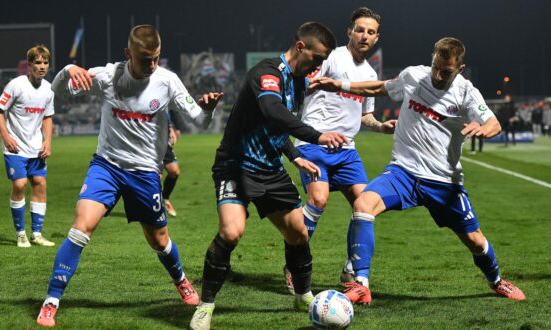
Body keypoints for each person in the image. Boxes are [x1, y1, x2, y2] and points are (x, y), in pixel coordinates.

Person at [311, 37, 526, 302]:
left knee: (475, 240)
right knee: (363, 205)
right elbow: (380, 87)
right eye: (435, 66)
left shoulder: (466, 92)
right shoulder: (414, 76)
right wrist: (340, 84)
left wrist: (485, 129)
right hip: (403, 172)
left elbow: (493, 123)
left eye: (445, 71)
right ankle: (361, 283)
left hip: (443, 181)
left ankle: (496, 280)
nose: (437, 74)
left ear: (460, 68)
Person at [36, 25, 223, 327]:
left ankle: (181, 281)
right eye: (145, 58)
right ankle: (51, 300)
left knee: (160, 240)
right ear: (128, 54)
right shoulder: (107, 77)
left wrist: (209, 109)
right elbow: (52, 93)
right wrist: (68, 69)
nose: (152, 65)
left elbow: (200, 121)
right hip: (106, 166)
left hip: (145, 173)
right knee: (81, 228)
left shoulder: (167, 81)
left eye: (156, 58)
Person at [189, 22, 348, 330]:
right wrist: (317, 137)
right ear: (301, 47)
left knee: (299, 234)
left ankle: (303, 295)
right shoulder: (266, 74)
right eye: (317, 58)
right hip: (236, 165)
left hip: (270, 169)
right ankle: (204, 307)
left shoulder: (299, 82)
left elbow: (274, 126)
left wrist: (295, 155)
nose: (318, 66)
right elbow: (274, 112)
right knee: (232, 232)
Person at [281, 7, 396, 301]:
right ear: (349, 32)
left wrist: (382, 127)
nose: (364, 36)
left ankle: (351, 270)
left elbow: (364, 118)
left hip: (346, 151)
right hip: (314, 143)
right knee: (318, 199)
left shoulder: (370, 74)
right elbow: (305, 84)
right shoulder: (332, 57)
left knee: (366, 204)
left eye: (370, 32)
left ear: (377, 38)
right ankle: (294, 267)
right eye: (360, 30)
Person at [0, 45, 56, 248]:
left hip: (36, 148)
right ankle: (21, 233)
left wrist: (47, 141)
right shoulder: (16, 85)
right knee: (20, 185)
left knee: (40, 183)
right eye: (38, 62)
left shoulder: (48, 89)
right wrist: (6, 137)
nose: (42, 66)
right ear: (29, 65)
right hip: (16, 147)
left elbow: (47, 117)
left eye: (45, 62)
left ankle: (36, 234)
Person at [163, 111, 181, 216]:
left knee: (174, 171)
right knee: (154, 175)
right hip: (148, 139)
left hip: (163, 140)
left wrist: (171, 128)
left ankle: (164, 199)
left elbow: (168, 110)